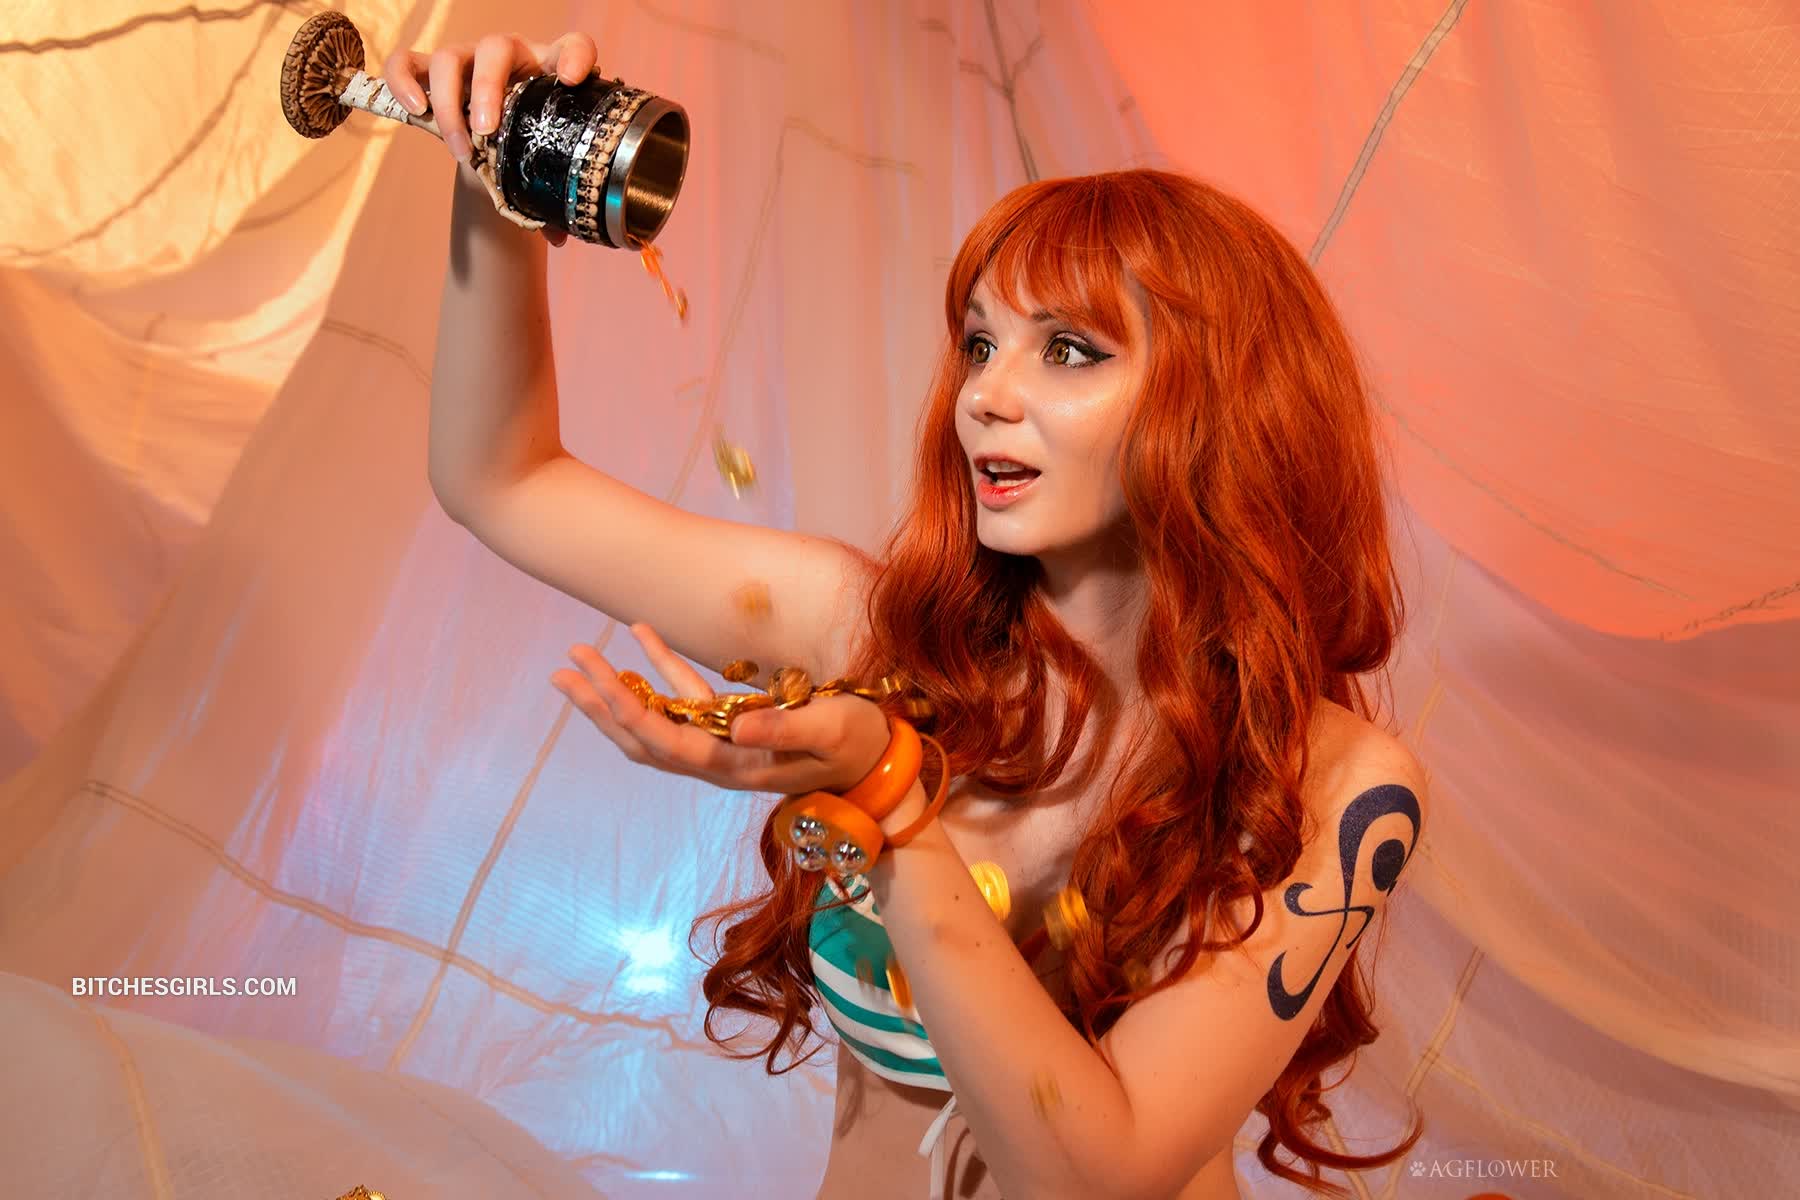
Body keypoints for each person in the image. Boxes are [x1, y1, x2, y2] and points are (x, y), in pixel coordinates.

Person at [394, 29, 1431, 1200]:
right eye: (981, 342)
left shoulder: (1335, 787)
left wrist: (888, 796)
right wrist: (498, 170)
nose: (984, 394)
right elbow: (503, 482)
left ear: (1233, 402)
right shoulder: (877, 643)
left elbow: (1103, 1176)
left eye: (1069, 350)